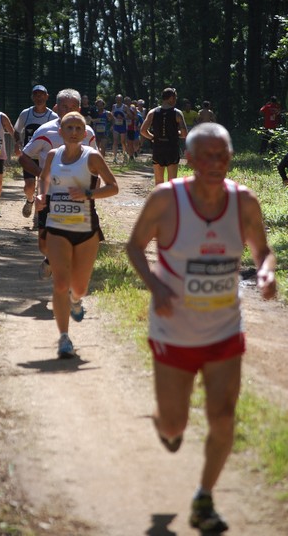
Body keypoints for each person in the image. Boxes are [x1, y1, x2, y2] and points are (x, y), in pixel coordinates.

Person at [126, 122, 276, 534]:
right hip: (174, 331)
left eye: (223, 155)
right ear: (189, 159)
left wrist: (266, 273)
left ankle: (203, 498)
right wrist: (155, 286)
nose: (216, 162)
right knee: (175, 425)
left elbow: (263, 250)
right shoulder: (166, 200)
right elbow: (134, 247)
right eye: (207, 155)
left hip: (225, 331)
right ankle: (164, 423)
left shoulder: (242, 201)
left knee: (223, 415)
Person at [36, 112, 118, 358]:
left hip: (85, 230)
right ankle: (64, 338)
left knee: (79, 288)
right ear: (60, 131)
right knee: (61, 283)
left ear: (85, 133)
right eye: (68, 127)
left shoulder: (92, 157)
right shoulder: (53, 156)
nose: (73, 131)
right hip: (57, 226)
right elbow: (44, 179)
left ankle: (77, 300)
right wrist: (41, 196)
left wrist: (88, 194)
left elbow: (113, 187)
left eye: (78, 127)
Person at [18, 88, 97, 279]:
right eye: (64, 106)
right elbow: (24, 157)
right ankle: (50, 259)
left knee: (74, 238)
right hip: (49, 195)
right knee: (44, 243)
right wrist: (42, 175)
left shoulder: (87, 133)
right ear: (56, 107)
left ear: (79, 109)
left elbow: (96, 164)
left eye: (72, 107)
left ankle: (68, 286)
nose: (68, 110)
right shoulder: (45, 131)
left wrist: (91, 190)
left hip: (76, 196)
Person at [14, 85, 58, 219]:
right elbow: (17, 130)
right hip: (30, 155)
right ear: (32, 97)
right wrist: (18, 142)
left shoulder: (53, 116)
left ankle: (39, 215)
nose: (39, 98)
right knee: (29, 186)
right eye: (36, 95)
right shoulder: (25, 114)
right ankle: (30, 200)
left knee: (44, 185)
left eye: (42, 95)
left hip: (46, 156)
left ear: (47, 96)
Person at [140, 87, 188, 185]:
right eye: (175, 97)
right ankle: (171, 200)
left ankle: (159, 200)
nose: (176, 100)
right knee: (172, 182)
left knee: (158, 181)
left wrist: (153, 137)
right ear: (171, 98)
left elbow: (143, 131)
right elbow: (184, 134)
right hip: (172, 148)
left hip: (158, 148)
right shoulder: (177, 113)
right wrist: (175, 133)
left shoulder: (152, 112)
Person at [112, 93, 132, 163]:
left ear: (122, 100)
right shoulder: (114, 106)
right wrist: (114, 119)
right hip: (116, 126)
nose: (118, 101)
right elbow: (112, 115)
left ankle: (125, 155)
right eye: (117, 99)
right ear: (116, 100)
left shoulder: (125, 107)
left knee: (123, 142)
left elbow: (129, 115)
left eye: (120, 99)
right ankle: (114, 157)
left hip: (123, 126)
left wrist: (123, 117)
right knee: (115, 141)